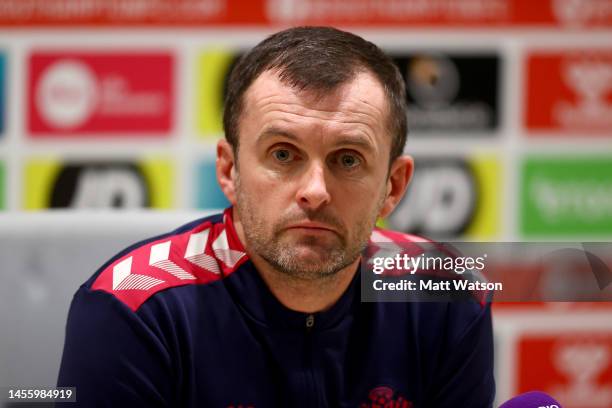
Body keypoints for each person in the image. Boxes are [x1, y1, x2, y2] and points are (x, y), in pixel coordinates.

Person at [57, 26, 495, 407]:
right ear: (230, 171)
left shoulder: (446, 296)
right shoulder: (134, 309)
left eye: (347, 160)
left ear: (393, 186)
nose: (315, 191)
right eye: (283, 154)